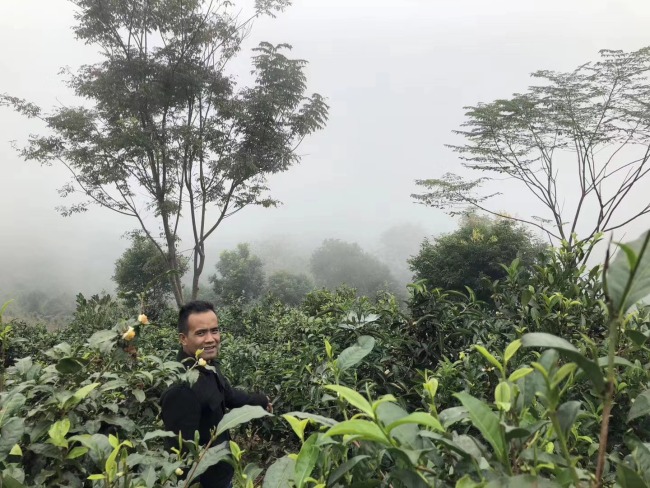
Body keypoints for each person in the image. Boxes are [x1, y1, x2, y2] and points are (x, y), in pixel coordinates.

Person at [161, 301, 272, 488]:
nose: (211, 339)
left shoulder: (208, 366)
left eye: (214, 330)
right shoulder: (181, 388)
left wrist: (261, 401)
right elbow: (180, 455)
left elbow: (228, 395)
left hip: (222, 475)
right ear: (183, 338)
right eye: (201, 333)